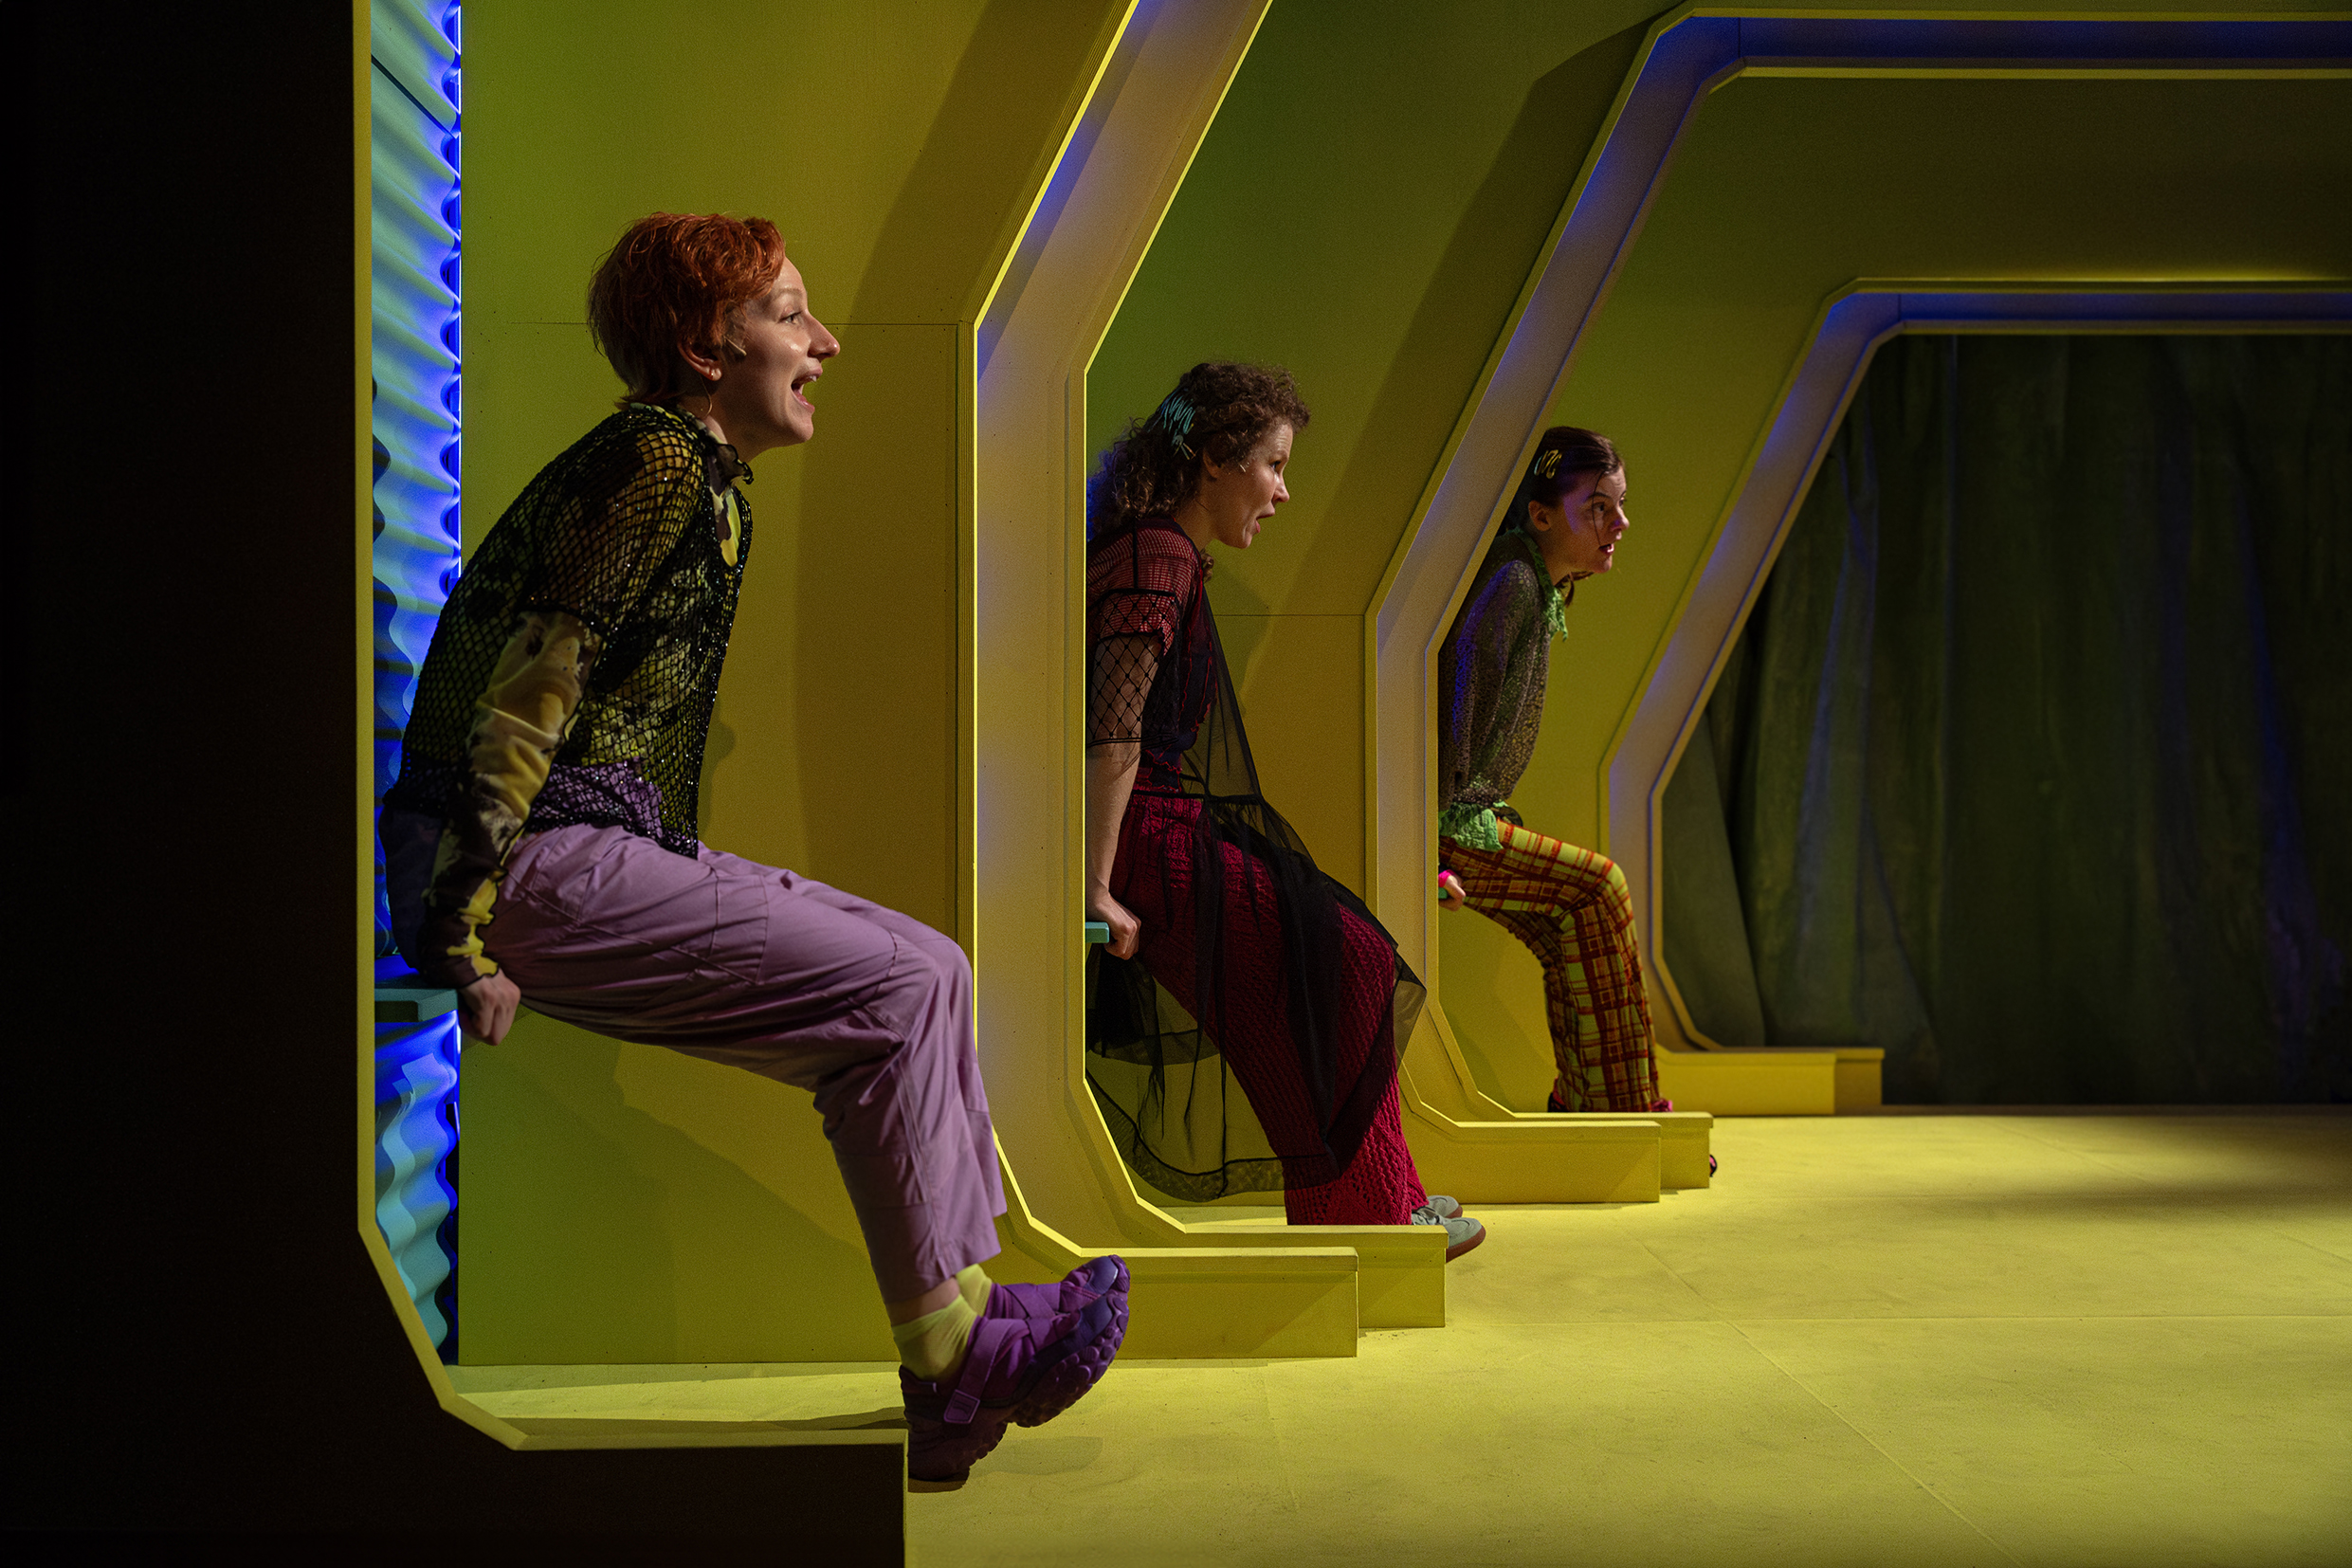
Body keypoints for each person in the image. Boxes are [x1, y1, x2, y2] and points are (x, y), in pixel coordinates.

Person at [378, 211, 1123, 1487]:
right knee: (900, 989)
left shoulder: (695, 475)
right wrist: (458, 927)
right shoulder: (656, 461)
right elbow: (532, 685)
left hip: (577, 841)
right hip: (525, 861)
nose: (824, 342)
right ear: (703, 345)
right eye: (789, 313)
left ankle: (959, 1325)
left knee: (933, 969)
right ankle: (954, 1354)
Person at [1084, 362, 1484, 1259]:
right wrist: (1094, 881)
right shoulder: (1156, 557)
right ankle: (1370, 1212)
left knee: (1332, 974)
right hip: (1143, 833)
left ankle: (1374, 1202)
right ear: (1214, 459)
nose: (1282, 491)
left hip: (1151, 825)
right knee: (1350, 961)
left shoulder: (1160, 553)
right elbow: (1111, 733)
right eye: (1273, 464)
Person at [1435, 426, 1673, 1118]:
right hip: (1447, 824)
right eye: (1598, 508)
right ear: (1540, 515)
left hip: (1459, 816)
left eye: (1620, 506)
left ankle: (1596, 1109)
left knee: (1572, 926)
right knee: (1599, 889)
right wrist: (1427, 854)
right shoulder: (1513, 581)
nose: (1619, 524)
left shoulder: (1531, 580)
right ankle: (1626, 1115)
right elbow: (1453, 711)